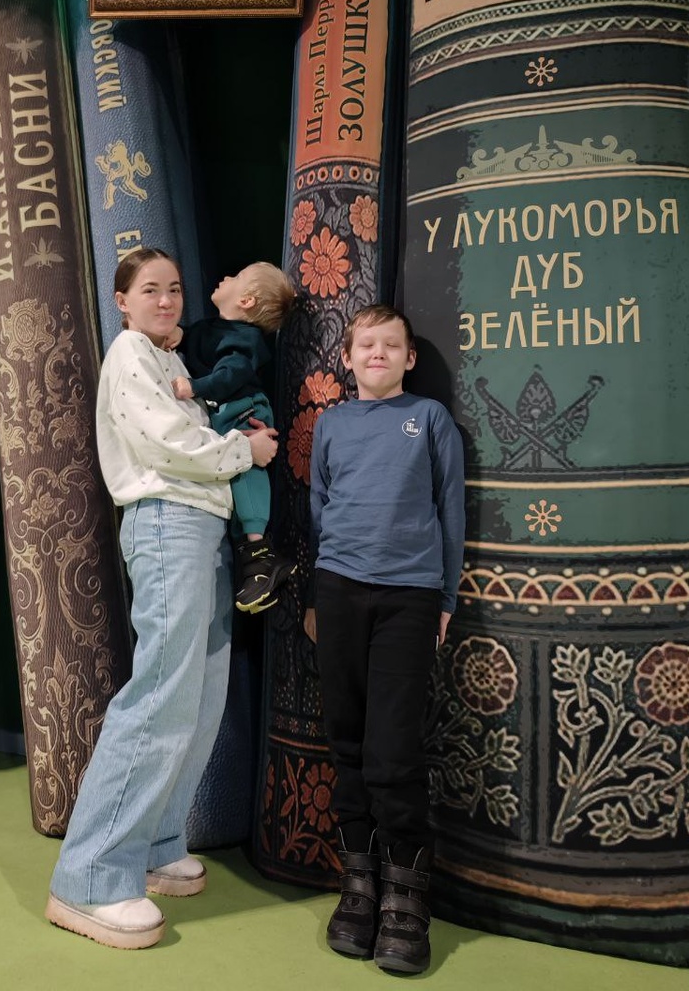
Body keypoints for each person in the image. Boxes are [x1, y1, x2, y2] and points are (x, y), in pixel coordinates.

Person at [45, 248, 278, 951]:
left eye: (174, 288)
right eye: (151, 290)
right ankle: (89, 878)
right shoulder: (130, 355)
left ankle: (155, 843)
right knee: (160, 694)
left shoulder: (171, 357)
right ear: (122, 300)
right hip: (167, 520)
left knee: (200, 693)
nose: (167, 300)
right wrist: (243, 452)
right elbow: (167, 442)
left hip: (203, 523)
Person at [303, 304, 465, 976]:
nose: (378, 353)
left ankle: (405, 900)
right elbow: (319, 507)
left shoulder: (429, 420)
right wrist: (319, 593)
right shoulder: (332, 425)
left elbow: (451, 510)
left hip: (410, 596)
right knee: (346, 738)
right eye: (366, 344)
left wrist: (445, 599)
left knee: (392, 750)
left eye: (391, 344)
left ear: (409, 358)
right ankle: (360, 886)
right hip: (339, 589)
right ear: (346, 358)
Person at [169, 262, 296, 612]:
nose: (225, 276)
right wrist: (179, 336)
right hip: (226, 415)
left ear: (246, 300)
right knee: (235, 475)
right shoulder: (214, 328)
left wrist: (193, 386)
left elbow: (230, 374)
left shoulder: (244, 338)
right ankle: (254, 560)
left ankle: (260, 552)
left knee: (246, 474)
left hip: (245, 410)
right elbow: (197, 340)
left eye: (236, 277)